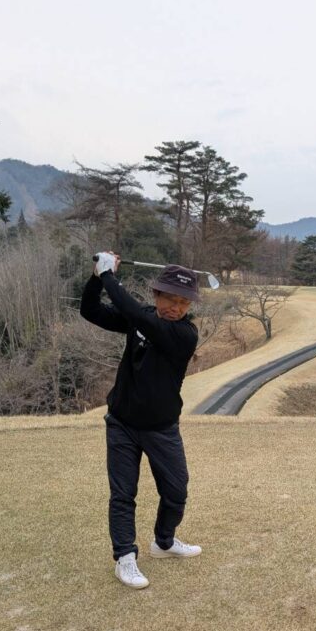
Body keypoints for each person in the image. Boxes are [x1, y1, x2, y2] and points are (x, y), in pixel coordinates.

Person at [79, 251, 201, 589]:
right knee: (123, 494)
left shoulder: (185, 335)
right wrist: (96, 278)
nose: (176, 307)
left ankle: (164, 541)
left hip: (162, 427)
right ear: (156, 294)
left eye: (183, 302)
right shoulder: (143, 317)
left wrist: (109, 276)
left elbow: (136, 315)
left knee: (176, 491)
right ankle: (125, 557)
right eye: (170, 298)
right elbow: (90, 311)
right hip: (122, 422)